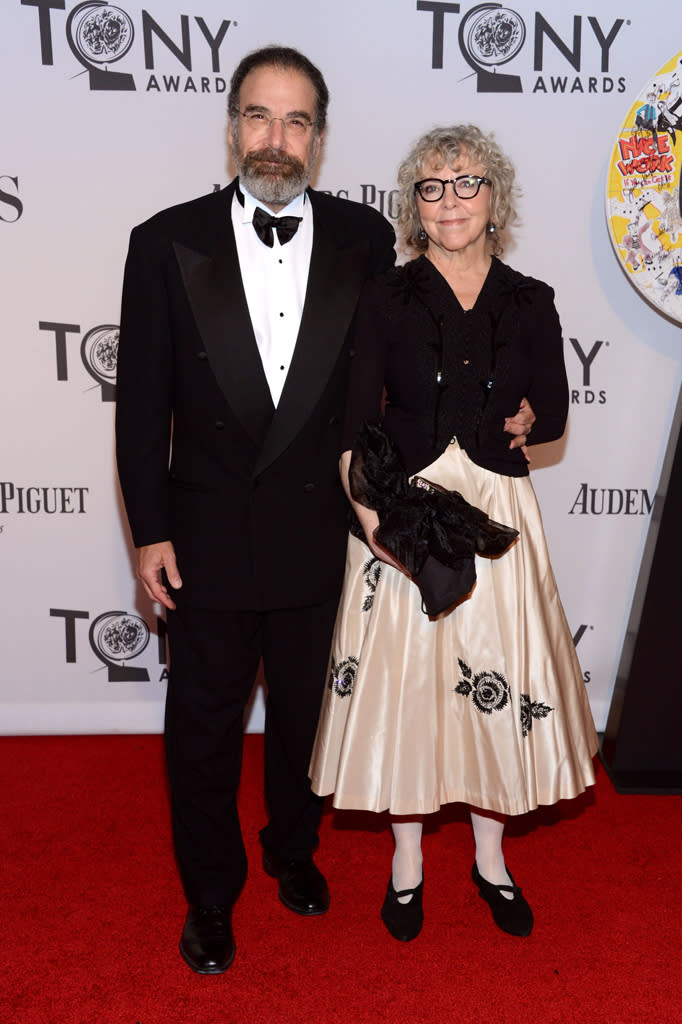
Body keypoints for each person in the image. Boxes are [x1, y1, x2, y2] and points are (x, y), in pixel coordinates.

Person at [114, 45, 398, 974]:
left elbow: (381, 386)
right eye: (259, 117)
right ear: (233, 124)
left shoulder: (368, 239)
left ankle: (292, 848)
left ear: (319, 137)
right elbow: (143, 401)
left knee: (307, 720)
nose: (275, 139)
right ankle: (210, 892)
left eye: (297, 121)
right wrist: (149, 530)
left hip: (319, 531)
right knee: (200, 727)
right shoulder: (165, 240)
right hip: (204, 537)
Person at [309, 125, 599, 943]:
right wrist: (377, 529)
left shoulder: (531, 298)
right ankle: (407, 866)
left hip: (499, 515)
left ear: (496, 197)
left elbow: (555, 413)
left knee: (495, 683)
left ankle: (491, 860)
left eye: (467, 183)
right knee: (409, 689)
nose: (450, 201)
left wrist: (534, 414)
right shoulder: (386, 297)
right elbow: (356, 420)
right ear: (414, 207)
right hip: (402, 511)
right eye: (432, 188)